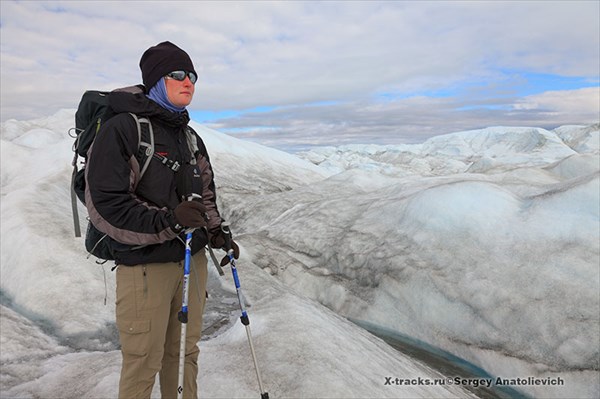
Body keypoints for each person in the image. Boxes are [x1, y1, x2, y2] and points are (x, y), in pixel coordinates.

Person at [85, 41, 239, 399]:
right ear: (156, 80)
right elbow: (107, 205)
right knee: (143, 361)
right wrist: (169, 220)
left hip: (192, 260)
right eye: (179, 74)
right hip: (145, 267)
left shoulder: (189, 136)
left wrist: (215, 231)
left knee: (185, 352)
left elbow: (205, 194)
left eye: (193, 76)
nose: (190, 82)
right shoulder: (124, 129)